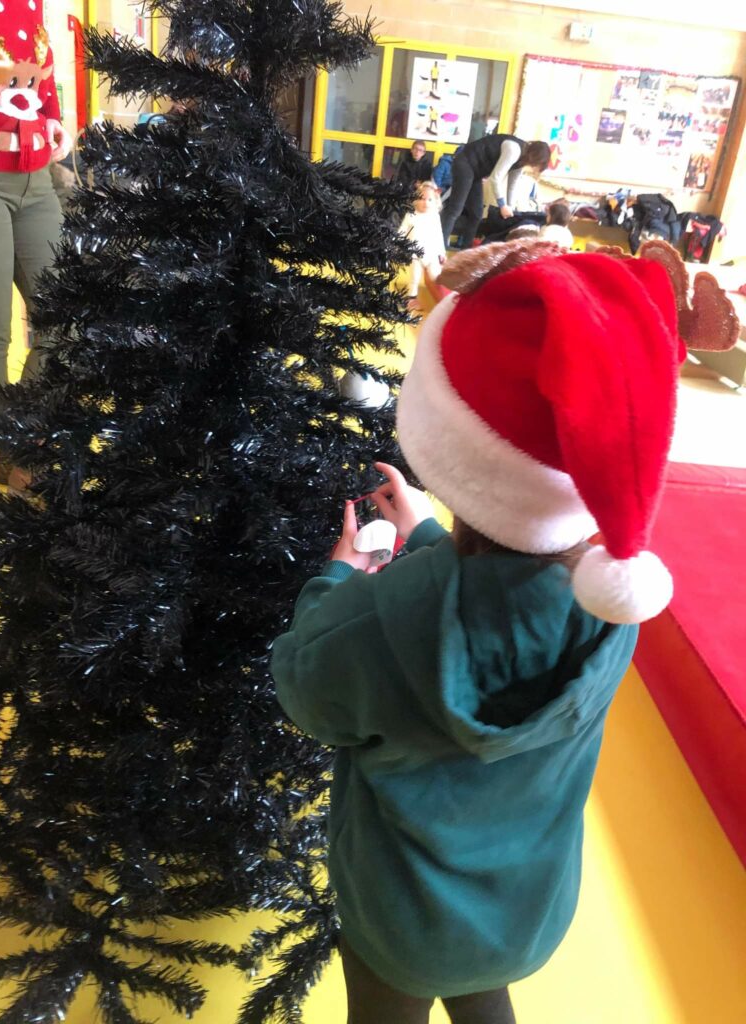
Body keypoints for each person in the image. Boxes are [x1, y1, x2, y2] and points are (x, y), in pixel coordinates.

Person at [271, 239, 712, 1023]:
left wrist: (339, 578)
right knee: (486, 999)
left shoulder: (374, 621)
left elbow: (305, 687)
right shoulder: (615, 604)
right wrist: (430, 538)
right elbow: (504, 605)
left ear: (450, 446)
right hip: (523, 914)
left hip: (402, 919)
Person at [0, 0, 71, 485]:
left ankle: (26, 435)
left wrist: (54, 118)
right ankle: (7, 450)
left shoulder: (33, 5)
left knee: (64, 317)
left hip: (37, 178)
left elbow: (43, 74)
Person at [440, 134, 550, 247]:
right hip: (465, 163)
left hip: (476, 172)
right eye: (537, 165)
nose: (534, 168)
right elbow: (495, 178)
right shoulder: (513, 150)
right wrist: (502, 205)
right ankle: (440, 248)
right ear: (535, 157)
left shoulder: (521, 161)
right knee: (455, 209)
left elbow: (512, 185)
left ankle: (466, 250)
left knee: (477, 214)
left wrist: (510, 208)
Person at [399, 180, 445, 311]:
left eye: (430, 200)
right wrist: (397, 245)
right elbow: (402, 231)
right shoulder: (411, 215)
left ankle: (442, 294)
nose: (426, 203)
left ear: (435, 201)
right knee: (414, 277)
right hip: (414, 253)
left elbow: (439, 235)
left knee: (435, 274)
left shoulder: (434, 216)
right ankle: (411, 299)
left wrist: (442, 253)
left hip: (431, 253)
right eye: (422, 199)